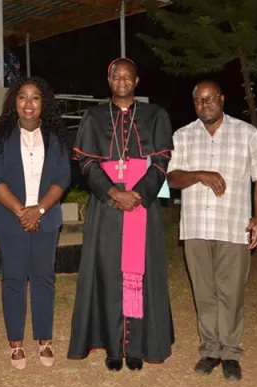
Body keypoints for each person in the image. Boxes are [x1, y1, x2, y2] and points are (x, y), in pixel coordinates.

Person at [67, 58, 174, 371]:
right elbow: (86, 163)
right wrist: (114, 193)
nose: (123, 81)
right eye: (117, 76)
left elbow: (161, 162)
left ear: (137, 82)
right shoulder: (94, 116)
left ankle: (137, 346)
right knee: (108, 272)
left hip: (143, 204)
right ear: (109, 80)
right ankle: (114, 347)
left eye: (128, 76)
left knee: (141, 272)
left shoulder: (156, 115)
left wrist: (136, 195)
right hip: (107, 207)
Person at [166, 81, 257, 381]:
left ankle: (230, 353)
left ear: (222, 99)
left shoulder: (247, 134)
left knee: (231, 293)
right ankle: (210, 350)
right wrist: (200, 174)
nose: (206, 104)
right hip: (196, 228)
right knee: (204, 293)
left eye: (211, 98)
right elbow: (173, 178)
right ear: (194, 104)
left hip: (233, 226)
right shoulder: (184, 135)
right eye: (200, 100)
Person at [0, 77, 71, 370]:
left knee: (44, 278)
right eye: (23, 97)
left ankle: (44, 340)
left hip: (46, 220)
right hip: (11, 220)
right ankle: (16, 343)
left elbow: (62, 179)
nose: (29, 103)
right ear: (14, 103)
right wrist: (23, 212)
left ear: (43, 103)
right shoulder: (0, 138)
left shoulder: (55, 138)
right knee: (14, 279)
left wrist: (40, 211)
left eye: (35, 97)